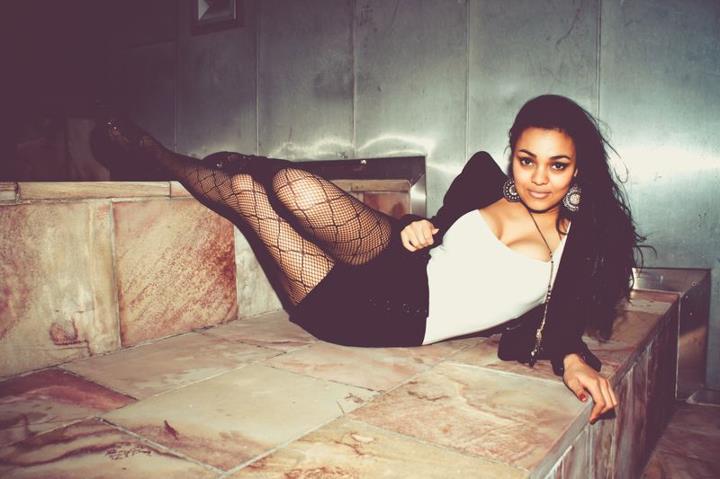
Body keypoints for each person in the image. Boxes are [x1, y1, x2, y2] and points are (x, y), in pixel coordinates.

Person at [92, 94, 643, 424]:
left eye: (557, 165)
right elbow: (442, 224)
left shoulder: (581, 243)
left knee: (247, 195)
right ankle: (198, 158)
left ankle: (156, 155)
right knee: (290, 185)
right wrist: (424, 227)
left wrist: (572, 360)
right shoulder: (484, 179)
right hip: (397, 256)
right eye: (526, 161)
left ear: (577, 169)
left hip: (379, 314)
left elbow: (564, 323)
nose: (539, 179)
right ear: (512, 154)